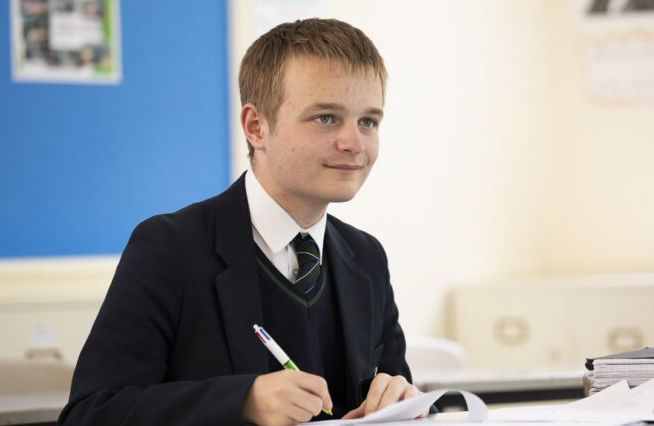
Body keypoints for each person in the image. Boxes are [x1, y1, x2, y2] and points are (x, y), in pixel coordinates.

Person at [59, 18, 426, 425]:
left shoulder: (367, 257)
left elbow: (391, 391)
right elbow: (90, 413)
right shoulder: (170, 249)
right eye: (325, 118)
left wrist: (401, 400)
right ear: (256, 127)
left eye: (368, 122)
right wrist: (241, 401)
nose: (354, 143)